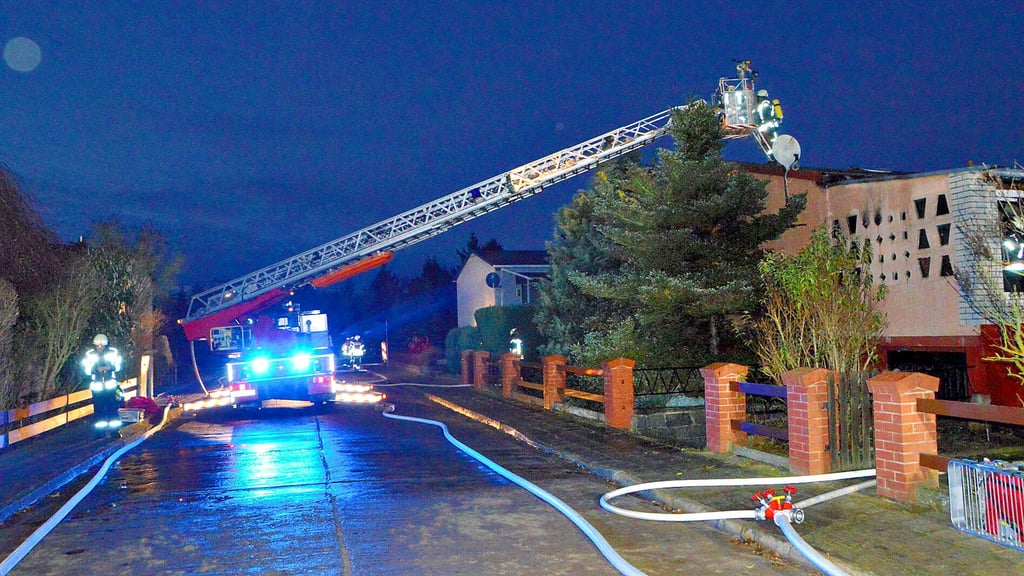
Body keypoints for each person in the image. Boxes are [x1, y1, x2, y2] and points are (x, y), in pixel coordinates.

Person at [81, 333, 124, 434]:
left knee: (112, 408)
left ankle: (115, 431)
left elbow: (119, 366)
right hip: (97, 387)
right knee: (99, 410)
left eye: (102, 345)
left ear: (106, 345)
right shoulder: (89, 355)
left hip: (111, 386)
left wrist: (110, 368)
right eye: (97, 345)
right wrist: (96, 369)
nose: (99, 347)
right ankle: (99, 432)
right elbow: (86, 370)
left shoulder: (113, 353)